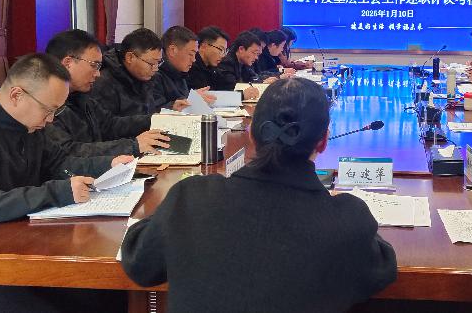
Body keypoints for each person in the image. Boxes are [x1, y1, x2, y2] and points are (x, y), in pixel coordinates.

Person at [121, 78, 398, 312]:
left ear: (252, 133)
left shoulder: (190, 199)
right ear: (323, 141)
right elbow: (381, 271)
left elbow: (140, 265)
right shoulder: (348, 219)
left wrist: (170, 213)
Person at [0, 54, 132, 313]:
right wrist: (57, 192)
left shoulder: (29, 124)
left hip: (24, 244)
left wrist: (108, 165)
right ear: (16, 95)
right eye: (48, 110)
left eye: (57, 111)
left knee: (109, 293)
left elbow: (58, 162)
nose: (51, 120)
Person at [43, 29, 170, 157]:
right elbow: (69, 152)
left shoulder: (80, 96)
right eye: (94, 65)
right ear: (68, 63)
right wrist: (132, 146)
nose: (98, 74)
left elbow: (109, 125)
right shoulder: (45, 103)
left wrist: (155, 119)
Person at [90, 28, 162, 117]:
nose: (156, 68)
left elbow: (148, 112)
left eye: (158, 62)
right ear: (130, 57)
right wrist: (148, 121)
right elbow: (107, 124)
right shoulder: (103, 83)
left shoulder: (145, 77)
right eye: (152, 63)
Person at [152, 26, 215, 111]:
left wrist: (193, 97)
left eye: (195, 55)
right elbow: (154, 110)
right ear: (172, 50)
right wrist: (189, 101)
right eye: (190, 54)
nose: (194, 60)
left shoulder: (180, 73)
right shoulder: (154, 74)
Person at [218, 31, 264, 100]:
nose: (256, 57)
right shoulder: (227, 63)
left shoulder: (244, 63)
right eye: (254, 53)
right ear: (241, 49)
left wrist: (263, 81)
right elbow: (231, 89)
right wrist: (242, 95)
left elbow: (253, 77)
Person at [188, 26, 232, 90]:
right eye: (220, 49)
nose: (223, 56)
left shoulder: (213, 68)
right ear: (203, 46)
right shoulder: (190, 67)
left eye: (225, 51)